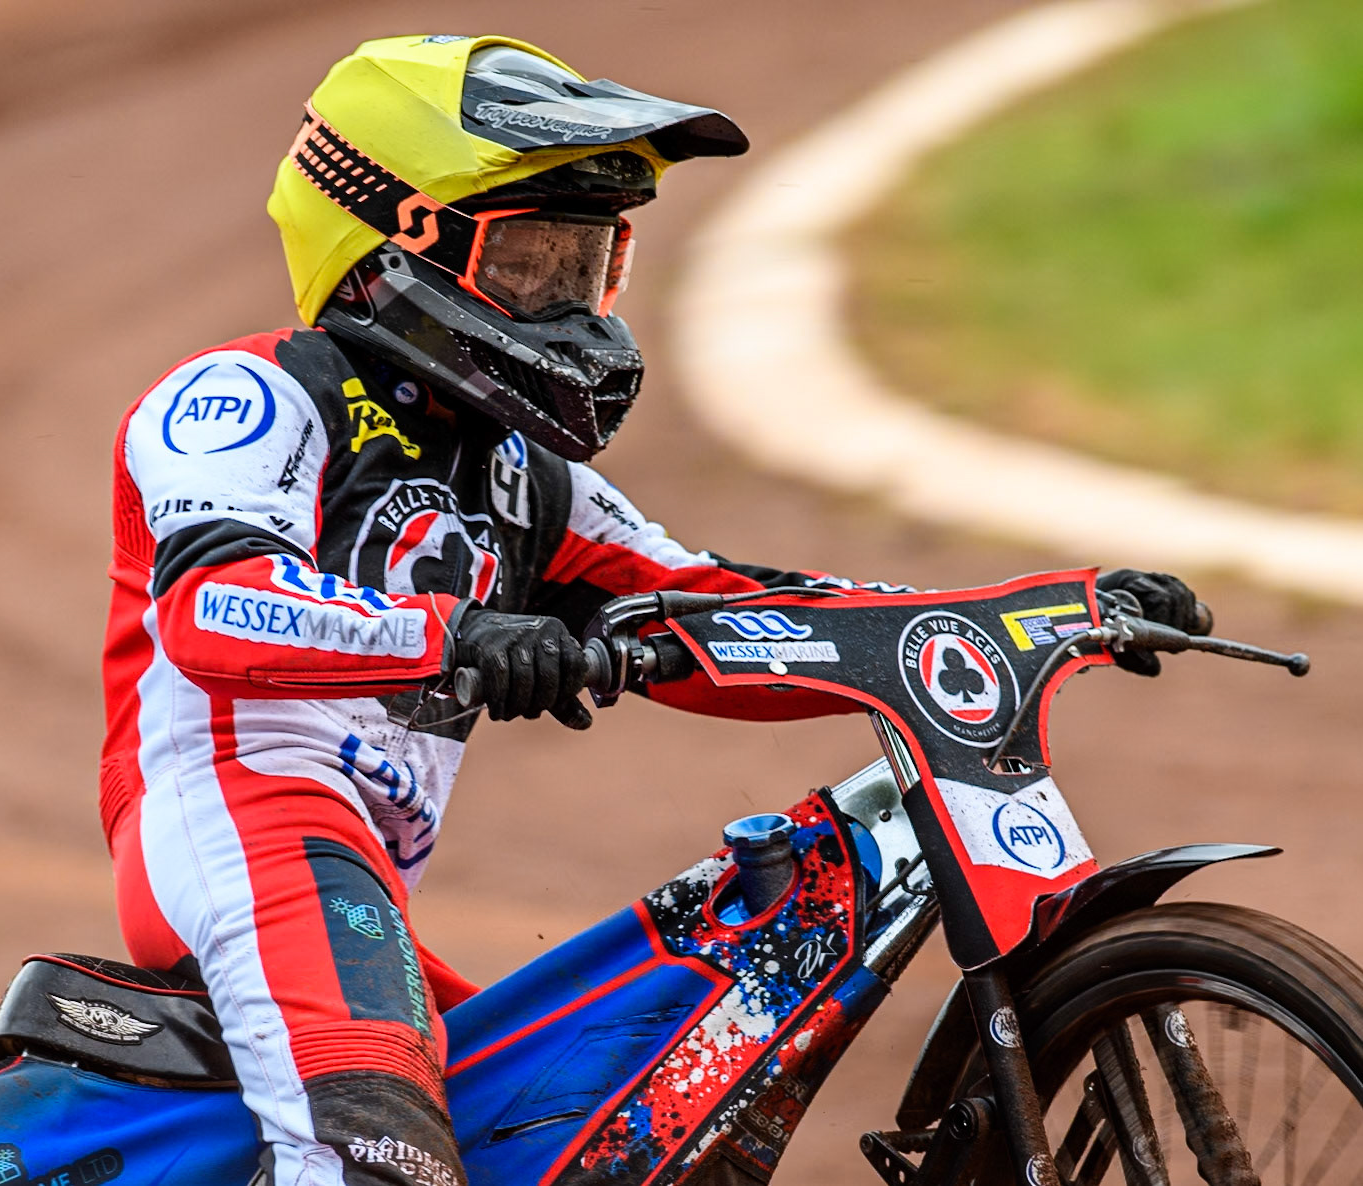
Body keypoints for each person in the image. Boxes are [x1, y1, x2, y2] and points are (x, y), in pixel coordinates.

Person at [98, 34, 1202, 1186]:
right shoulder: (246, 396)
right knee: (383, 1154)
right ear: (402, 238)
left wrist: (1023, 612)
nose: (569, 308)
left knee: (582, 1139)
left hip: (356, 877)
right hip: (244, 821)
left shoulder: (531, 475)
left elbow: (723, 608)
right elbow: (213, 609)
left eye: (589, 266)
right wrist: (460, 634)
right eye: (532, 264)